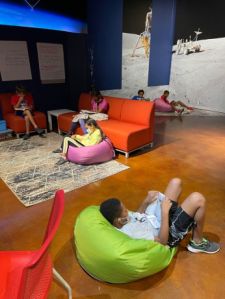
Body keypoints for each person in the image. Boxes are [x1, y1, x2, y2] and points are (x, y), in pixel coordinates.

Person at [100, 178, 220, 254]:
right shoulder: (134, 233)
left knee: (175, 182)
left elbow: (137, 216)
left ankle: (182, 215)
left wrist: (146, 201)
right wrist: (164, 212)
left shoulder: (121, 220)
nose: (128, 211)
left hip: (156, 218)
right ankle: (197, 242)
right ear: (119, 221)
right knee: (197, 198)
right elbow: (162, 241)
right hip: (167, 233)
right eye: (125, 210)